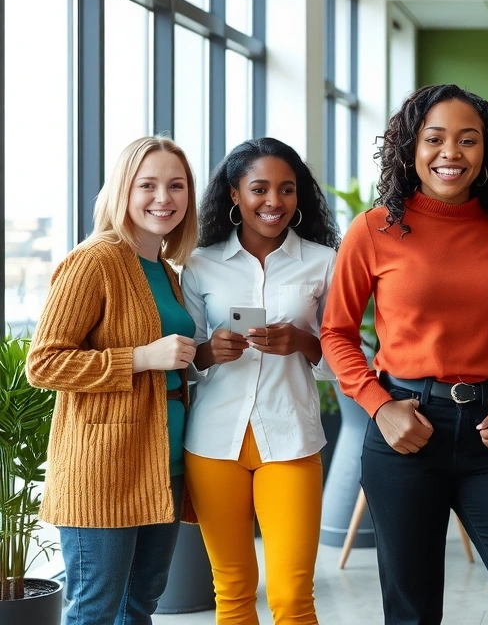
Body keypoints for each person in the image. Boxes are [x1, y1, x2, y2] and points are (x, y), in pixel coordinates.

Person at [321, 84, 488, 625]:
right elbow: (336, 332)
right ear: (411, 148)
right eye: (434, 139)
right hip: (406, 429)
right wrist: (379, 406)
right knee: (412, 615)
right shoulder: (373, 229)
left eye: (468, 140)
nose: (450, 153)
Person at [27, 136, 199, 625]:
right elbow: (44, 363)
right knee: (96, 611)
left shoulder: (165, 270)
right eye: (148, 185)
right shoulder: (96, 259)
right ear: (123, 190)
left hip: (162, 466)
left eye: (176, 185)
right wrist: (140, 357)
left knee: (140, 606)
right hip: (104, 469)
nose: (163, 198)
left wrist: (203, 353)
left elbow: (166, 361)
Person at [180, 138, 340, 624]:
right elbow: (185, 357)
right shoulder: (200, 264)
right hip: (213, 443)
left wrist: (302, 342)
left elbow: (345, 357)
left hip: (290, 439)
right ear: (234, 194)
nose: (274, 201)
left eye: (287, 189)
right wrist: (210, 351)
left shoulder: (323, 261)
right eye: (259, 188)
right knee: (232, 592)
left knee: (293, 597)